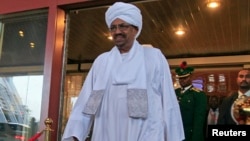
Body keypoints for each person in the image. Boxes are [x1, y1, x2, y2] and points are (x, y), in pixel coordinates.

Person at [61, 2, 184, 141]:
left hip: (146, 134)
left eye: (123, 26)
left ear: (135, 30)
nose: (117, 31)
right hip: (106, 133)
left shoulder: (153, 57)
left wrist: (174, 137)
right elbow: (87, 103)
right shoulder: (102, 61)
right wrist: (75, 135)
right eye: (113, 28)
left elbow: (168, 100)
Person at [175, 61, 207, 141]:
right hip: (175, 133)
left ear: (191, 77)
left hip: (189, 135)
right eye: (180, 78)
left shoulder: (198, 94)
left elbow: (198, 121)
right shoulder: (175, 92)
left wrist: (196, 138)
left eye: (185, 78)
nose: (182, 80)